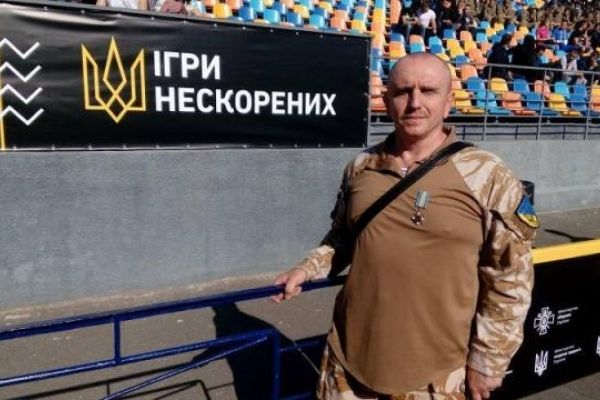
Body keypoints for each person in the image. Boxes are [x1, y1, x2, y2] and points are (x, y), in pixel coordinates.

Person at [273, 53, 537, 400]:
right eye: (402, 91)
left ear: (448, 102)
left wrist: (488, 362)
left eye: (428, 91)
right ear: (386, 101)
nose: (414, 103)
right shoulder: (361, 167)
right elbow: (343, 237)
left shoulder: (488, 175)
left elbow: (510, 276)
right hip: (347, 366)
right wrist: (307, 268)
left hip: (437, 376)